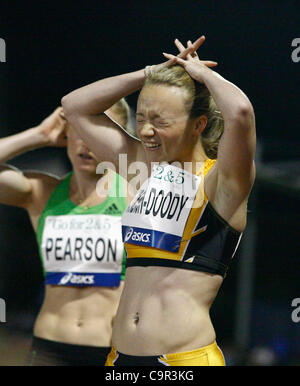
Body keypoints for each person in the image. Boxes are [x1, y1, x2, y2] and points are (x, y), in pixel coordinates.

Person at [62, 35, 256, 366]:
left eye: (161, 121)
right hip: (120, 359)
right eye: (142, 118)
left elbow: (239, 112)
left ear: (198, 125)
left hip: (183, 360)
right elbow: (74, 105)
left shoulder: (222, 181)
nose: (148, 130)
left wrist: (201, 73)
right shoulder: (139, 167)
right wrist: (150, 73)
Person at [0, 101, 132, 366]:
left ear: (118, 140)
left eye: (98, 132)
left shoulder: (136, 196)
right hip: (48, 349)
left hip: (110, 350)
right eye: (79, 130)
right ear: (65, 133)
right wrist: (38, 135)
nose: (87, 143)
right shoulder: (41, 193)